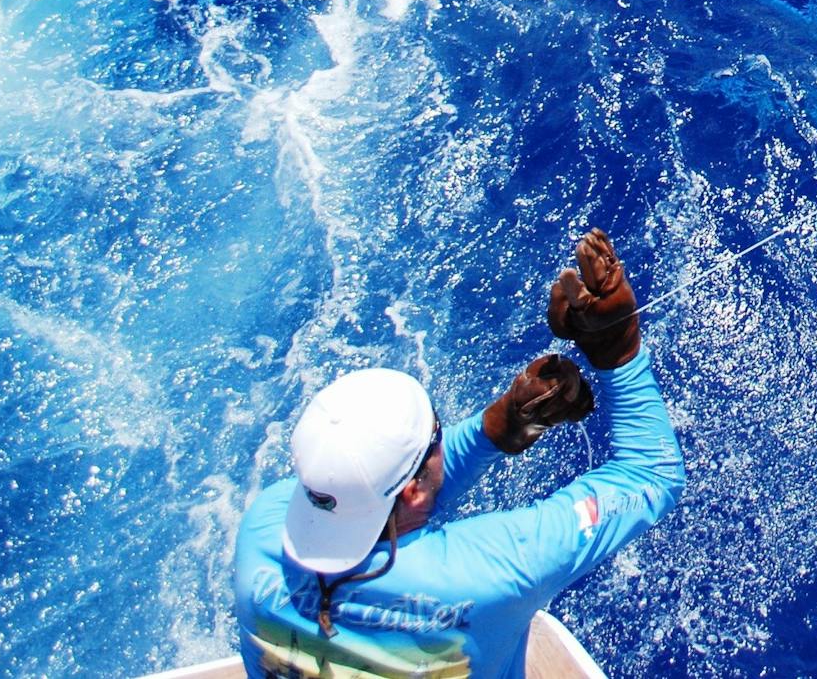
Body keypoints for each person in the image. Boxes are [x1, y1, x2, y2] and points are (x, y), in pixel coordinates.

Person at [232, 230, 684, 678]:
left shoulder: (264, 528)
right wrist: (618, 353)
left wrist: (501, 426)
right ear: (411, 493)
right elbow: (652, 472)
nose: (443, 441)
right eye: (436, 435)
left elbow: (377, 500)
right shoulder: (493, 572)